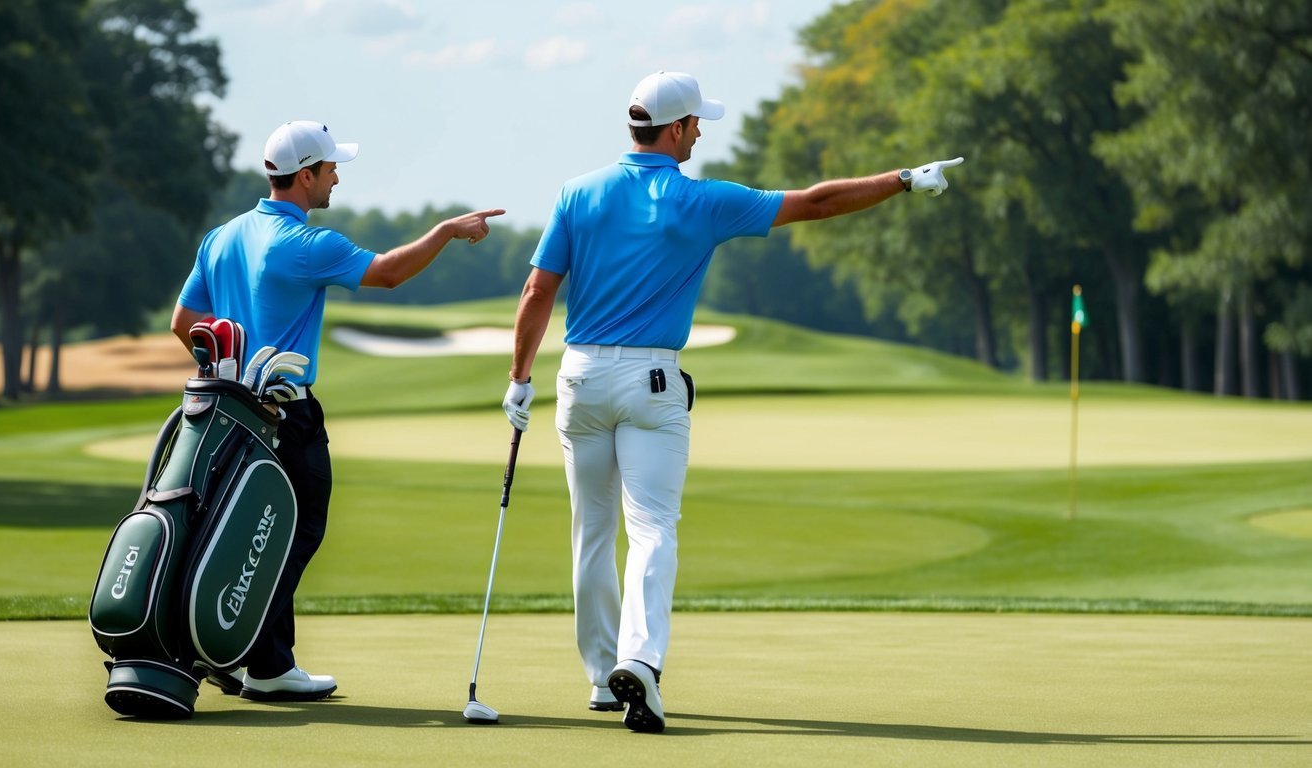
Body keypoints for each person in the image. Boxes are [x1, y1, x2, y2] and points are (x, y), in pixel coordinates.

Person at [501, 71, 962, 733]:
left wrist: (519, 378)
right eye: (697, 125)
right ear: (678, 128)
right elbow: (818, 203)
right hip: (651, 383)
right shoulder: (702, 202)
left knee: (591, 533)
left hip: (578, 378)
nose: (699, 134)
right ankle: (640, 659)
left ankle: (604, 677)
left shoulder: (577, 193)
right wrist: (900, 180)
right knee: (652, 527)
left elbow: (536, 293)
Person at [172, 120, 503, 701]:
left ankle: (230, 646)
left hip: (224, 415)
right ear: (304, 176)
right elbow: (390, 273)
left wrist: (229, 378)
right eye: (329, 169)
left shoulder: (221, 237)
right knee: (287, 535)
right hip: (285, 416)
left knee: (237, 531)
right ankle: (267, 665)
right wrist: (447, 231)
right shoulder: (306, 244)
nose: (336, 178)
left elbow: (184, 324)